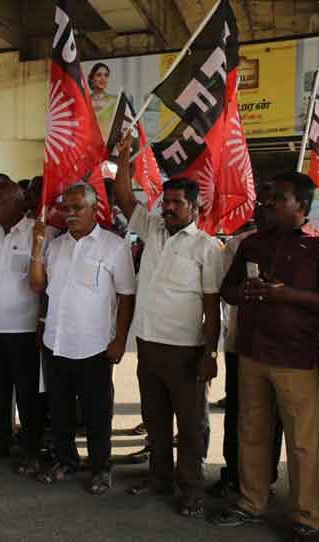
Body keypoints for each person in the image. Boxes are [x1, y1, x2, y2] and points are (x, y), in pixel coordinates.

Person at [213, 172, 319, 541]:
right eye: (269, 197)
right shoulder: (253, 244)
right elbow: (226, 289)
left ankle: (306, 516)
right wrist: (243, 290)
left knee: (302, 441)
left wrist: (288, 294)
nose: (269, 203)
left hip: (295, 357)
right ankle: (251, 502)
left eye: (278, 198)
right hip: (252, 352)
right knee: (252, 432)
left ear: (302, 206)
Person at [113, 137, 224, 518]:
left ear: (195, 207)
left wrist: (209, 355)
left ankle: (191, 488)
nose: (169, 208)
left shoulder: (207, 248)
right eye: (166, 201)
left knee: (191, 426)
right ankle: (159, 478)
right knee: (156, 419)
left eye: (177, 203)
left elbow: (212, 307)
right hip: (148, 346)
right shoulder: (153, 230)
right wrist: (125, 158)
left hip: (186, 350)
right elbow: (126, 198)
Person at [29, 182, 136, 493]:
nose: (70, 214)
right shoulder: (55, 245)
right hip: (56, 342)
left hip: (95, 345)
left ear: (94, 209)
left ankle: (101, 468)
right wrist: (37, 246)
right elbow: (39, 288)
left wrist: (120, 340)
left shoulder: (114, 246)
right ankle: (65, 460)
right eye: (66, 208)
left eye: (78, 208)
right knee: (59, 409)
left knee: (96, 412)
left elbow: (126, 296)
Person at [209, 181, 284, 499]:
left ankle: (264, 475)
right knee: (239, 412)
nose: (262, 212)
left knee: (273, 415)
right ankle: (233, 472)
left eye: (270, 205)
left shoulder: (302, 245)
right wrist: (244, 291)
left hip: (282, 348)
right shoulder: (239, 244)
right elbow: (225, 292)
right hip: (241, 343)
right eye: (259, 205)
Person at [0, 179, 47, 474]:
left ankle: (31, 450)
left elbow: (45, 286)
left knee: (27, 393)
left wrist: (42, 322)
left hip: (23, 329)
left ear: (19, 202)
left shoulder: (36, 233)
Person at [88, 62, 118, 140]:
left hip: (108, 146)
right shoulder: (85, 101)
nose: (103, 78)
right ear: (91, 78)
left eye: (106, 75)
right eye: (99, 75)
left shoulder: (115, 101)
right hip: (89, 145)